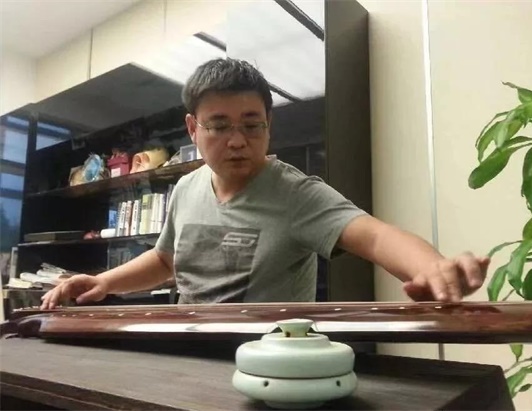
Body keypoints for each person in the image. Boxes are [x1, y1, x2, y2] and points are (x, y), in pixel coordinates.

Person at [40, 58, 490, 310]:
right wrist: (102, 282)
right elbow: (166, 259)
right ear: (193, 129)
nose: (238, 140)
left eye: (252, 124)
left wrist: (432, 267)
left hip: (269, 369)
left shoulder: (295, 193)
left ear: (269, 125)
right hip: (185, 355)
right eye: (219, 125)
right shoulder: (186, 188)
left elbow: (374, 235)